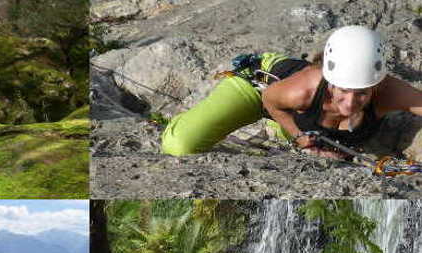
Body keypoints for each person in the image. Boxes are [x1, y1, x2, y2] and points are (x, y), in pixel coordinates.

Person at [161, 25, 422, 160]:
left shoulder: (389, 91)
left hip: (297, 107)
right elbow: (269, 100)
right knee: (180, 146)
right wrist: (299, 136)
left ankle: (281, 128)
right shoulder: (303, 90)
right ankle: (184, 120)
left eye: (362, 94)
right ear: (331, 81)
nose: (349, 104)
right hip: (260, 88)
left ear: (375, 84)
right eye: (343, 91)